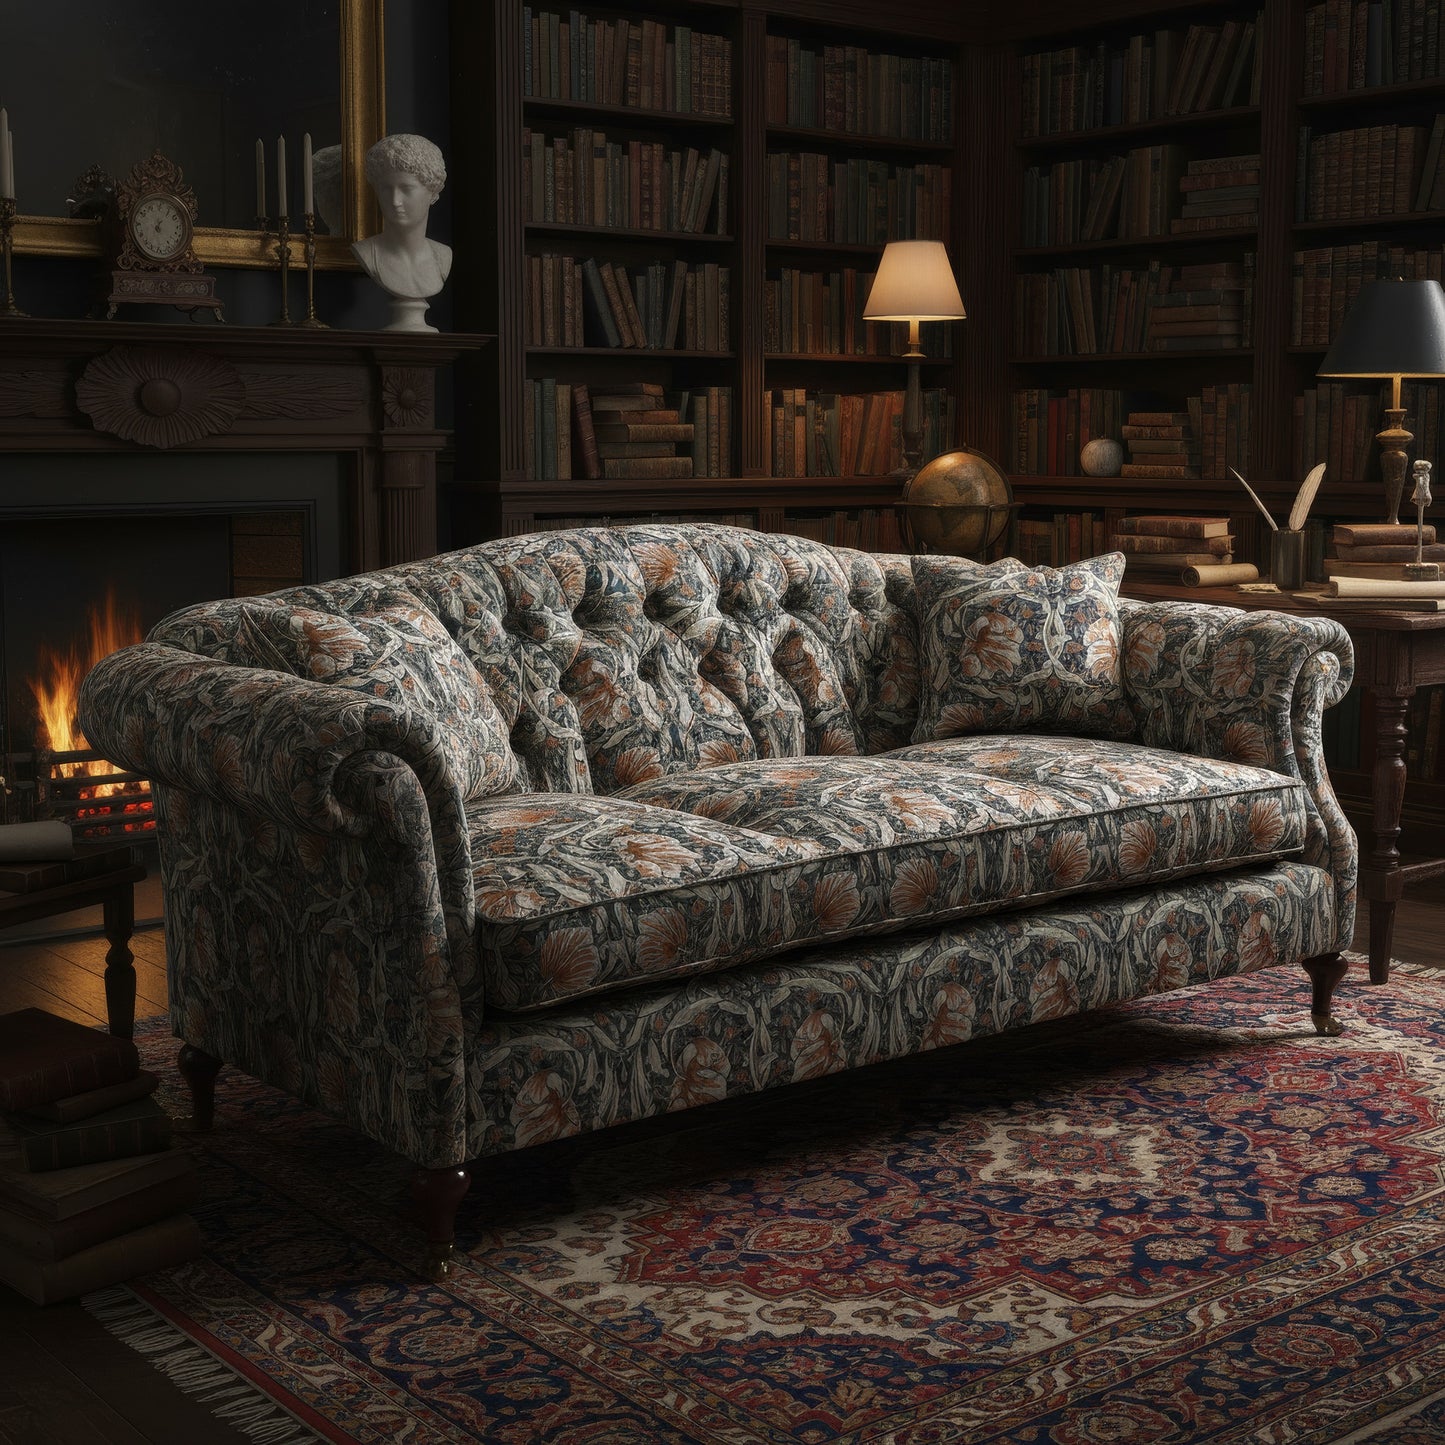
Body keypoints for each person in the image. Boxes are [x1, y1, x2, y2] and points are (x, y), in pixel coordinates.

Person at [352, 133, 451, 329]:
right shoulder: (366, 252)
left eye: (406, 189)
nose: (395, 201)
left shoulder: (443, 257)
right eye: (386, 189)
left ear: (432, 192)